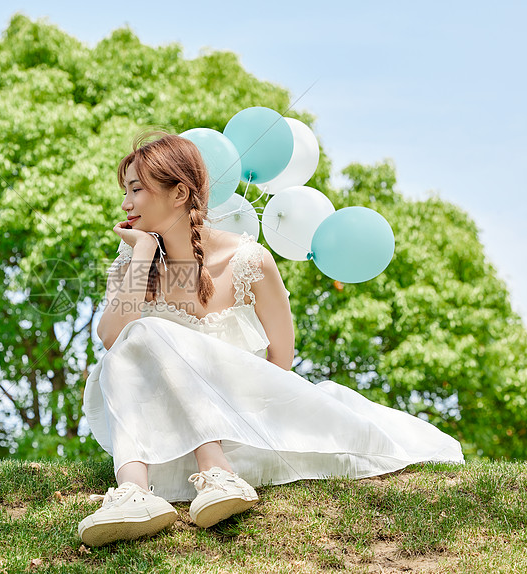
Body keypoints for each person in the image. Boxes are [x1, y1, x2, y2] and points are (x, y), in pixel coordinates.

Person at [78, 131, 464, 547]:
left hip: (247, 428)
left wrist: (245, 416)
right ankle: (137, 492)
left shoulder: (250, 260)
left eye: (136, 189)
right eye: (126, 191)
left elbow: (282, 360)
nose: (125, 204)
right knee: (142, 331)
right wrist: (140, 255)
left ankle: (211, 472)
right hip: (167, 447)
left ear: (179, 193)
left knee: (148, 330)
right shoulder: (132, 262)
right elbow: (113, 339)